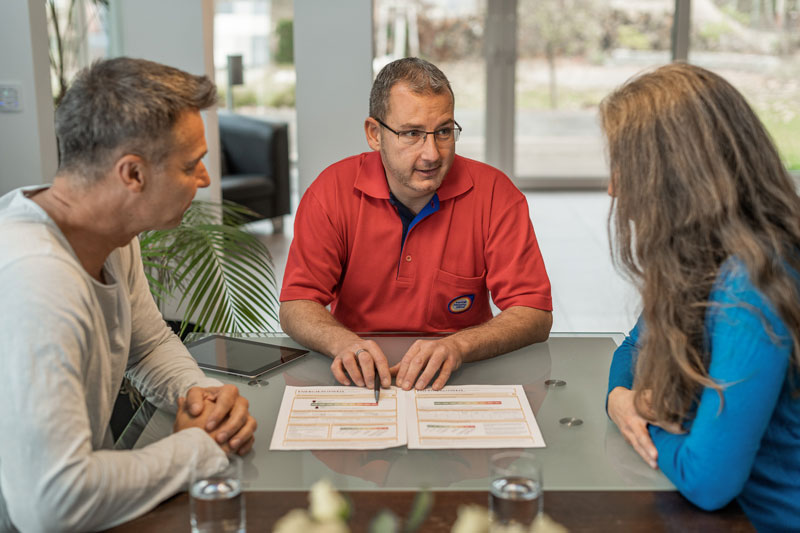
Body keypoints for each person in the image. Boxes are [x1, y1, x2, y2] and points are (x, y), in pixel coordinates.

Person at [0, 57, 257, 532]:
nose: (203, 180)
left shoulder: (111, 235)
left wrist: (201, 398)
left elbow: (149, 344)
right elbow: (51, 506)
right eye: (191, 165)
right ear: (132, 174)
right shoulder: (36, 280)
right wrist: (199, 447)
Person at [603, 62, 800, 531]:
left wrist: (642, 420)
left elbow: (708, 480)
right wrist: (620, 398)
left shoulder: (753, 284)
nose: (613, 187)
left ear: (673, 178)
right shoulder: (701, 257)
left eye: (624, 167)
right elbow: (633, 349)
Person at [280, 57, 552, 392]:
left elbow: (534, 313)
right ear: (374, 134)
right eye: (411, 133)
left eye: (444, 132)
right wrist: (343, 343)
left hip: (462, 375)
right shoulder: (330, 191)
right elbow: (296, 303)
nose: (432, 154)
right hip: (358, 375)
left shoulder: (496, 193)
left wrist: (458, 346)